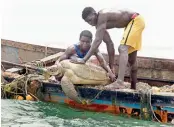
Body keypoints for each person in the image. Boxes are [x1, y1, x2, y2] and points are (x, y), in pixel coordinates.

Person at [71, 7, 145, 90]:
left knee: (122, 48)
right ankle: (133, 88)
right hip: (132, 25)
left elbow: (97, 41)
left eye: (90, 20)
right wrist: (111, 67)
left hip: (135, 20)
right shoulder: (99, 26)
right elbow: (109, 44)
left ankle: (120, 82)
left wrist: (84, 59)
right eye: (88, 22)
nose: (90, 23)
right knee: (131, 60)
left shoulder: (102, 15)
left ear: (95, 14)